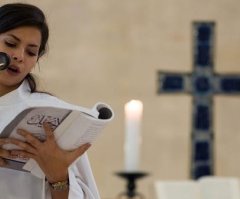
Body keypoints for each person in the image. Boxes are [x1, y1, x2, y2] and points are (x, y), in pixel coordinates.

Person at [0, 3, 100, 199]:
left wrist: (58, 176)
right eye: (11, 43)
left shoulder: (52, 112)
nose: (19, 56)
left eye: (31, 52)